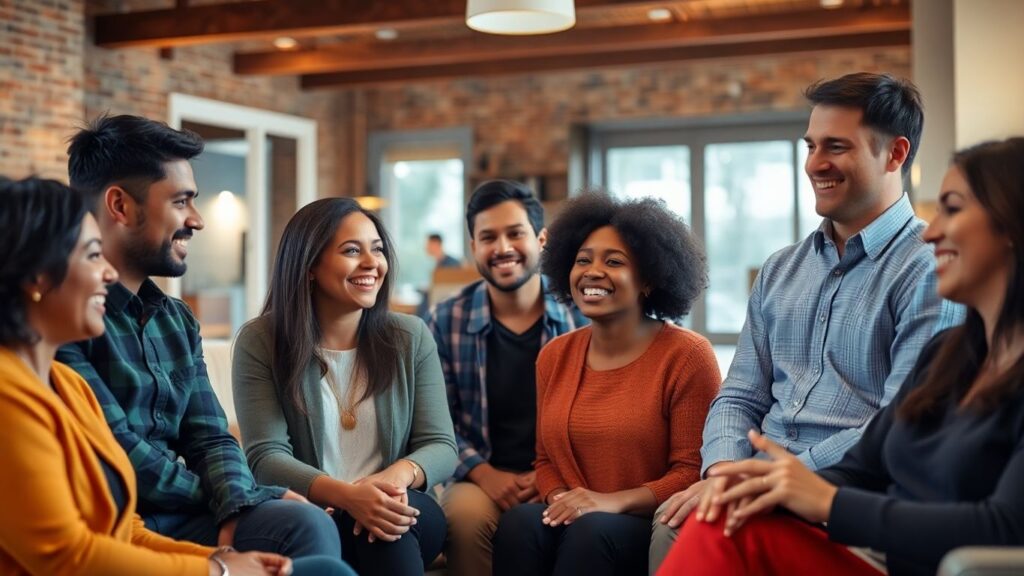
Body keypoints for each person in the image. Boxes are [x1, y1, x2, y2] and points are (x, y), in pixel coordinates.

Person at [658, 138, 1024, 576]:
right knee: (719, 521)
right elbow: (860, 467)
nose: (932, 230)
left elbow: (1004, 526)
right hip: (884, 558)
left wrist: (825, 500)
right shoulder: (947, 357)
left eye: (953, 208)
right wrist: (759, 484)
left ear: (1012, 224)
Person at [0, 176, 352, 576]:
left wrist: (220, 559)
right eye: (91, 255)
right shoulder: (10, 399)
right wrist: (220, 571)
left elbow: (121, 525)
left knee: (321, 559)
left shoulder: (69, 387)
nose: (108, 274)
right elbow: (67, 556)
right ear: (37, 278)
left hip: (157, 532)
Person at [56, 115, 343, 559]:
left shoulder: (176, 319)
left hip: (187, 513)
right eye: (181, 201)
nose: (197, 219)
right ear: (120, 206)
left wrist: (236, 502)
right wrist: (237, 497)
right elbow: (114, 449)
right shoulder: (61, 317)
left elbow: (210, 436)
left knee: (303, 522)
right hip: (110, 516)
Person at [492, 193, 721, 576]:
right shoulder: (554, 355)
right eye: (582, 260)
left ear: (648, 279)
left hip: (645, 522)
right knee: (520, 523)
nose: (592, 272)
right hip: (579, 516)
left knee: (592, 530)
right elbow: (545, 460)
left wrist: (609, 502)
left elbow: (690, 472)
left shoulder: (688, 355)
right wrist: (563, 499)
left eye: (613, 262)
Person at [232, 197, 459, 576]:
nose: (372, 263)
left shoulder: (410, 336)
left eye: (378, 250)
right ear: (309, 267)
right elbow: (266, 458)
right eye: (352, 251)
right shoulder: (262, 341)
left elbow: (441, 446)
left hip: (404, 505)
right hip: (314, 513)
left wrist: (388, 484)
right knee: (375, 529)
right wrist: (351, 497)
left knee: (388, 527)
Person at [429, 180, 587, 576]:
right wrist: (484, 474)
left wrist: (550, 475)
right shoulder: (446, 321)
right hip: (478, 473)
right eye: (488, 237)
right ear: (473, 248)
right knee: (463, 520)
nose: (502, 248)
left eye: (515, 233)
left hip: (568, 472)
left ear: (541, 238)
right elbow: (437, 421)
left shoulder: (579, 315)